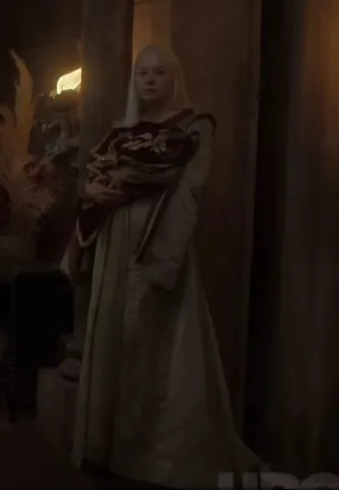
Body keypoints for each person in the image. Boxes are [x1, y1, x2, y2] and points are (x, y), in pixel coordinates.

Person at [65, 45, 261, 488]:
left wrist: (131, 179)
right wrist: (93, 192)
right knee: (116, 336)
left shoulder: (193, 128)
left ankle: (155, 458)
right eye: (143, 73)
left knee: (157, 341)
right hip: (116, 240)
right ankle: (108, 445)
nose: (150, 80)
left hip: (156, 241)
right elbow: (93, 176)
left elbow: (190, 184)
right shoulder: (120, 131)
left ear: (175, 78)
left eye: (159, 73)